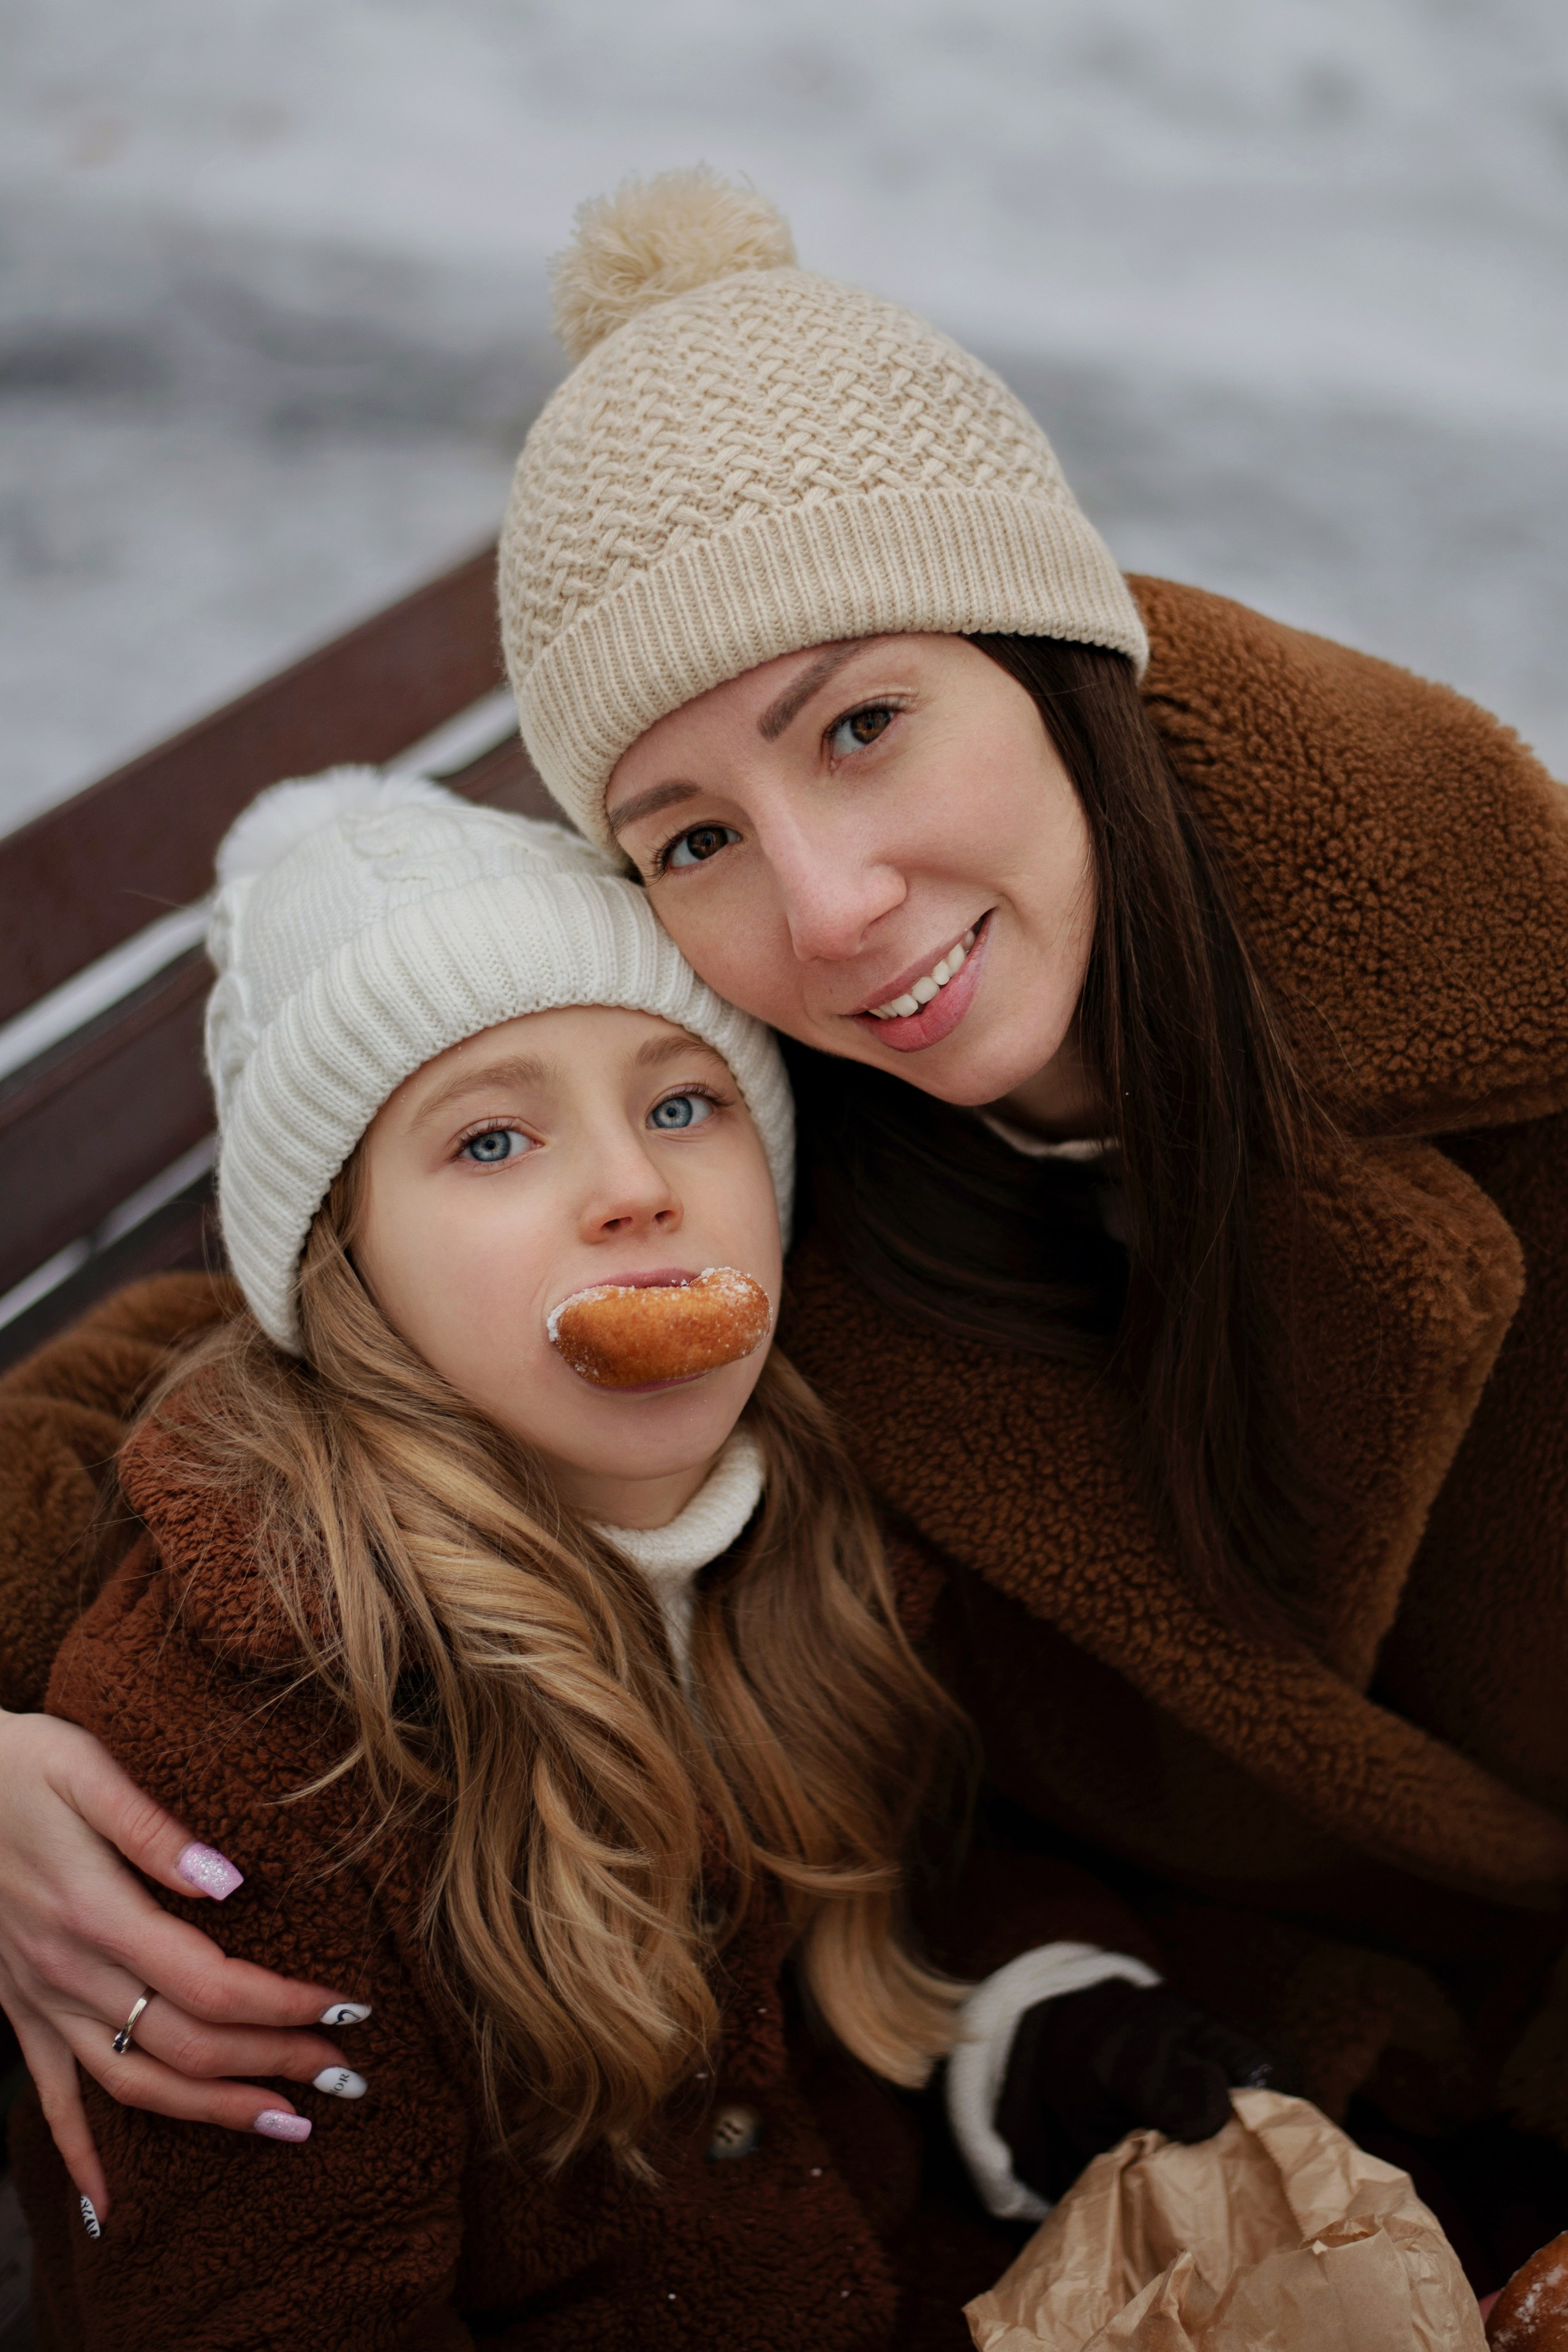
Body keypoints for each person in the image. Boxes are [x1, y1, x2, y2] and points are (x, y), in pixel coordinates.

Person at [3, 167, 1567, 2296]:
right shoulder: (756, 1105)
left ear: (1048, 662)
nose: (827, 907)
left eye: (862, 722)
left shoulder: (1511, 1011)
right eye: (696, 836)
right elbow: (260, 1365)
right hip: (1219, 2066)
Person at [21, 769, 1251, 2348]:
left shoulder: (803, 1527)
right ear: (349, 1272)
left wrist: (1033, 2010)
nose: (635, 1189)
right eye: (491, 1143)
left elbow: (870, 1917)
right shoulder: (259, 1738)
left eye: (683, 1104)